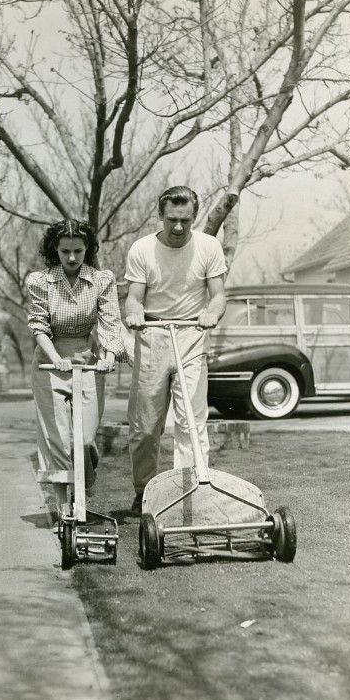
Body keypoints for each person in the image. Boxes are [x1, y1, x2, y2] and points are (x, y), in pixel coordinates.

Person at [123, 186, 227, 513]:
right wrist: (135, 314)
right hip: (152, 336)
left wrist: (211, 313)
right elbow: (133, 298)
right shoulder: (142, 249)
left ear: (193, 217)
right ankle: (144, 493)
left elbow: (218, 295)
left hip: (192, 334)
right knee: (144, 427)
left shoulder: (209, 246)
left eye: (185, 220)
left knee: (192, 423)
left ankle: (189, 493)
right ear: (160, 216)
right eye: (172, 220)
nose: (178, 227)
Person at [26, 219, 128, 517]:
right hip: (50, 362)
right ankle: (63, 509)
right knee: (56, 437)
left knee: (83, 438)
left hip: (87, 359)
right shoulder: (39, 282)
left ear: (88, 250)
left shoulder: (101, 280)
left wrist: (109, 355)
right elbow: (39, 325)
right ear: (54, 250)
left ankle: (86, 463)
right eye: (65, 251)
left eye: (79, 251)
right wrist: (54, 355)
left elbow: (111, 322)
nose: (72, 258)